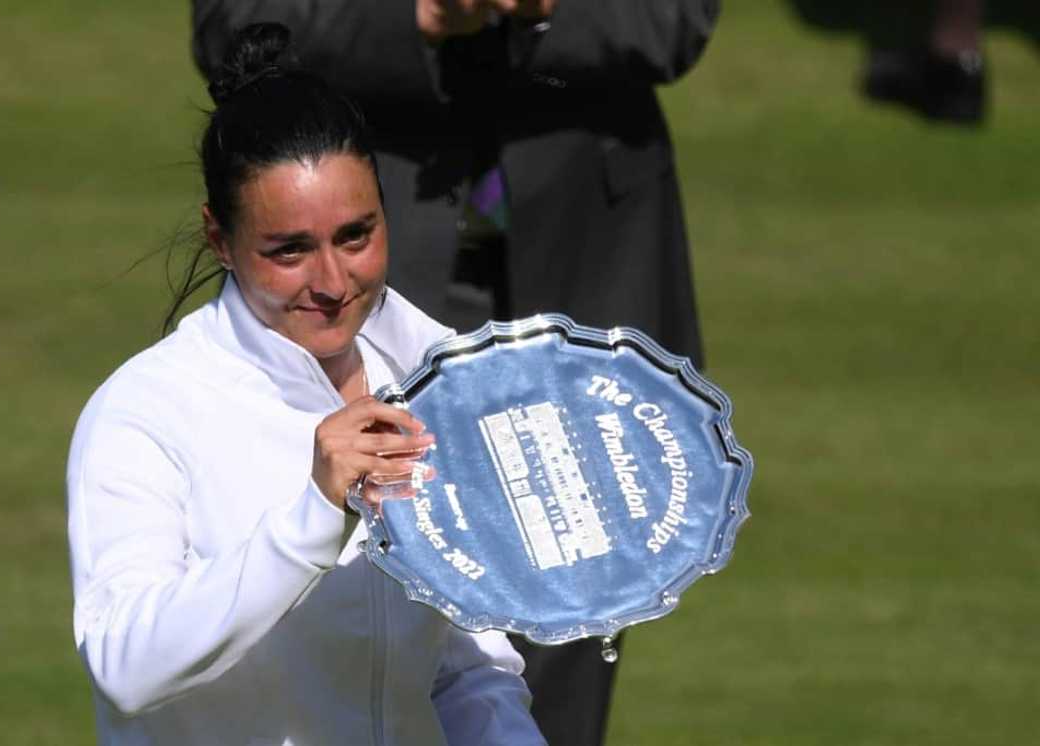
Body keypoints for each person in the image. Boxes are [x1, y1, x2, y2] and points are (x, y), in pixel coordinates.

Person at [191, 4, 717, 743]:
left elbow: (672, 17)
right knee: (363, 639)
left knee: (568, 640)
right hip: (361, 284)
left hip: (588, 266)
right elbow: (237, 24)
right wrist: (416, 14)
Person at [65, 23, 544, 745]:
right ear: (219, 239)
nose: (331, 283)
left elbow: (466, 666)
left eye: (357, 235)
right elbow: (125, 663)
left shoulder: (441, 377)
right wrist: (316, 510)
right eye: (289, 250)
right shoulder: (145, 413)